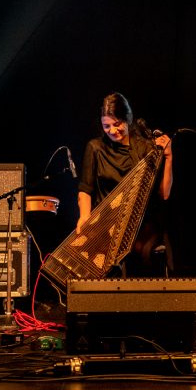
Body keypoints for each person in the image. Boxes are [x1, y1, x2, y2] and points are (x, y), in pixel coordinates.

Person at [76, 92, 174, 277]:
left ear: (127, 119)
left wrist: (168, 158)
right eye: (106, 126)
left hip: (139, 223)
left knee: (143, 250)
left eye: (117, 124)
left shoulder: (144, 148)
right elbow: (85, 190)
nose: (112, 131)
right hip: (106, 223)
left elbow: (164, 193)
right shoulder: (95, 148)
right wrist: (84, 219)